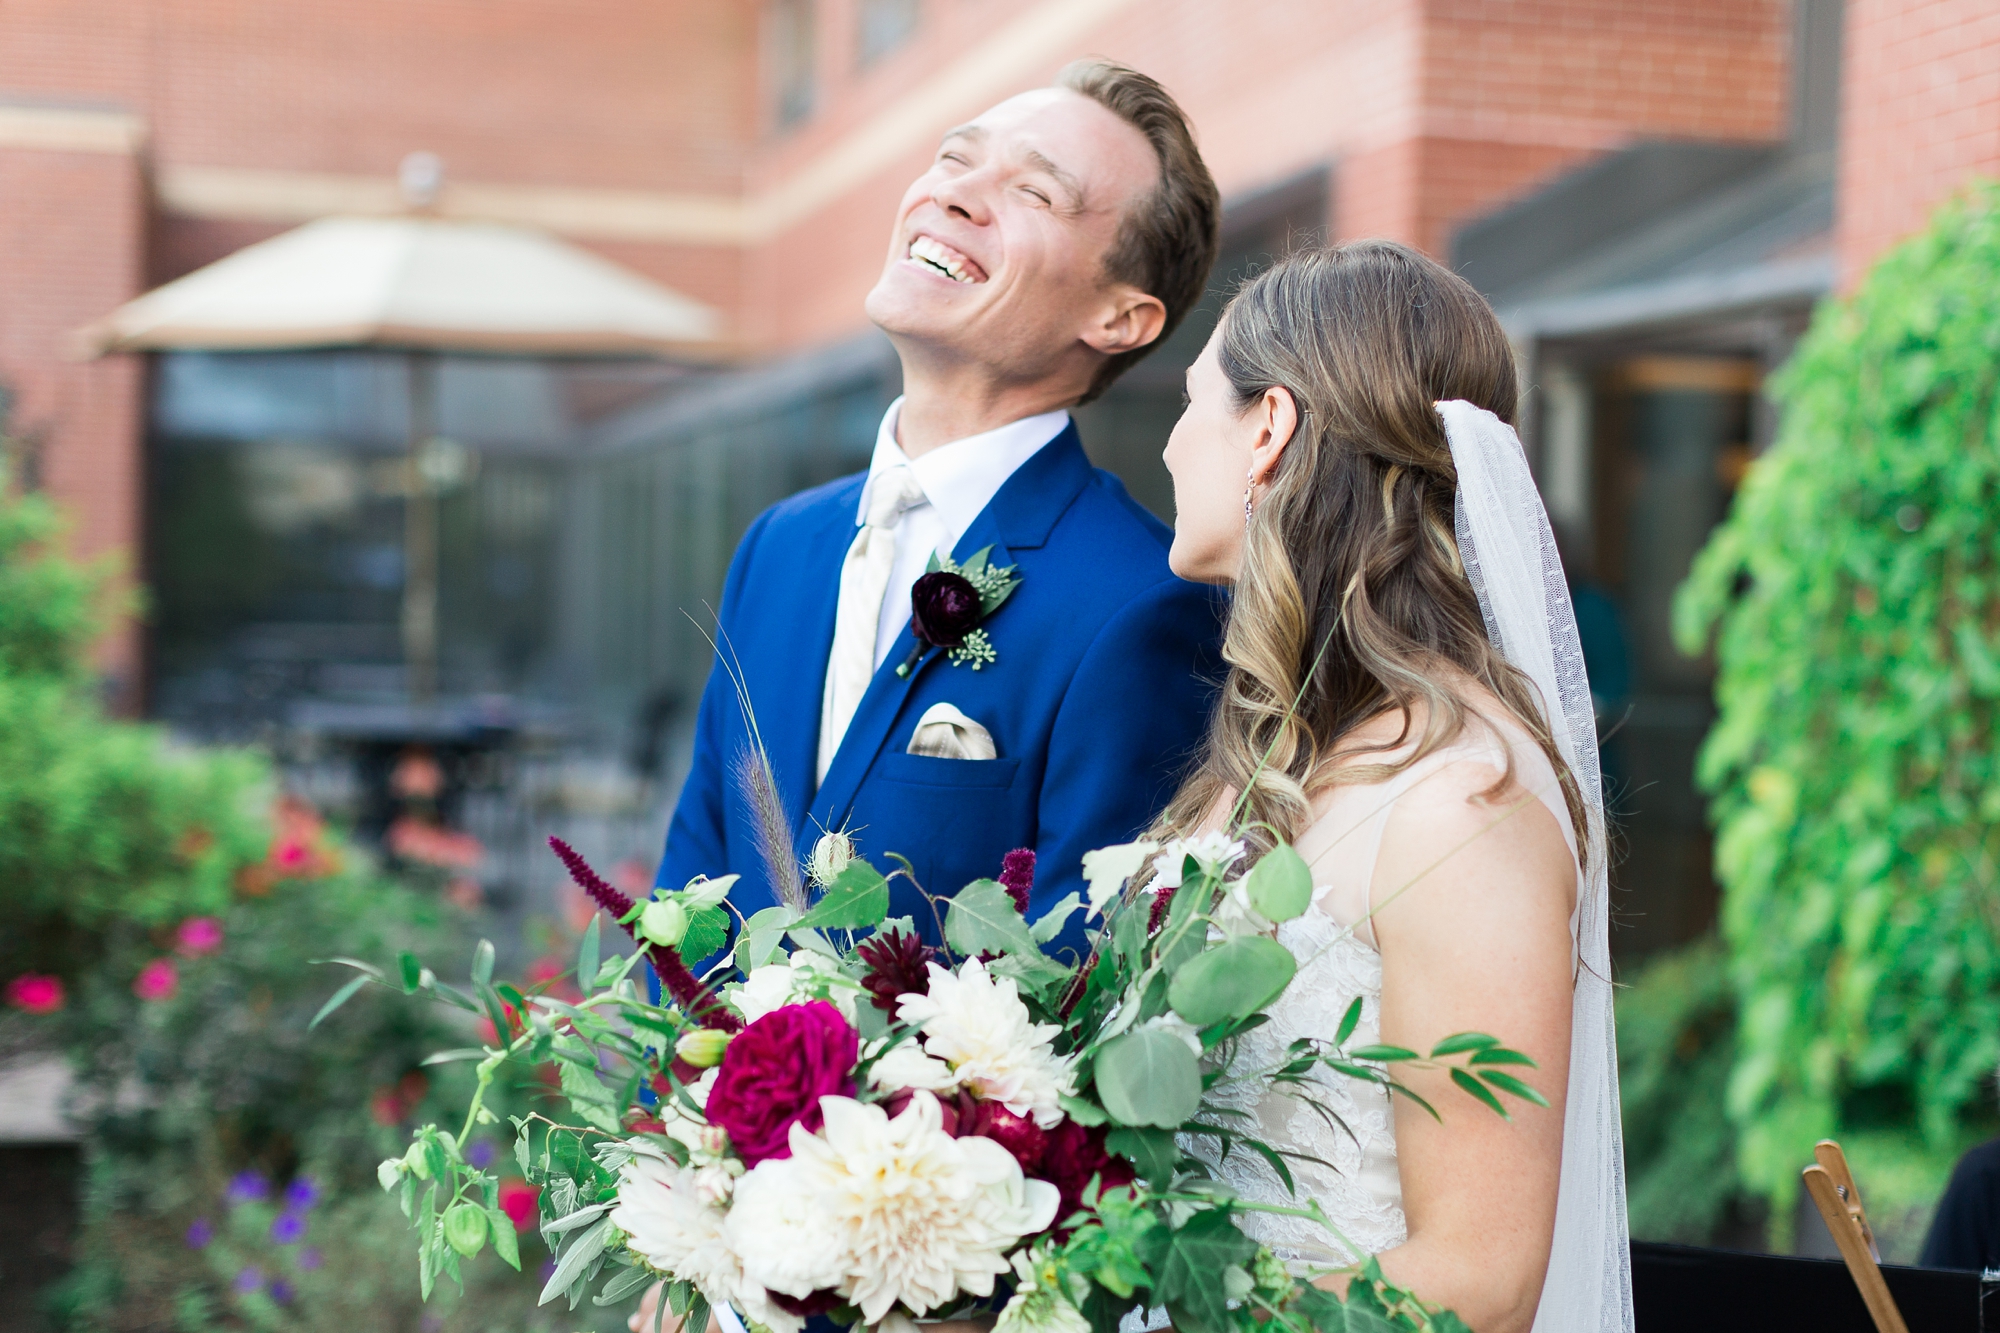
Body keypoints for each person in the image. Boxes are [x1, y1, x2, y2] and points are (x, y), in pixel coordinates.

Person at [1148, 241, 1633, 1333]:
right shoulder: (1284, 752)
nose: (1172, 446)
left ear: (1266, 427)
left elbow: (1480, 1278)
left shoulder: (1462, 801)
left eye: (1192, 404)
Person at [653, 64, 1222, 955]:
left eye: (1033, 189)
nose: (955, 195)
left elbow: (1087, 976)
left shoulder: (1147, 605)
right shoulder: (780, 543)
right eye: (956, 158)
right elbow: (690, 879)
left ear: (1120, 317)